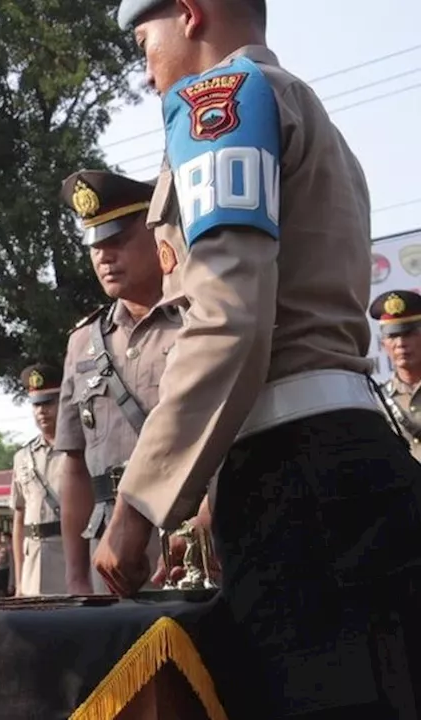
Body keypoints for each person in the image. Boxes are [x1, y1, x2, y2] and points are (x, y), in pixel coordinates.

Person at [106, 1, 421, 716]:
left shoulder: (218, 100)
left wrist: (141, 502)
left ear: (188, 13)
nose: (144, 62)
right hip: (352, 460)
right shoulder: (308, 111)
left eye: (142, 37)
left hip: (296, 484)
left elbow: (229, 318)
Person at [52, 170, 182, 595]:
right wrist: (74, 575)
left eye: (117, 240)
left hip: (190, 532)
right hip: (109, 550)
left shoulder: (198, 323)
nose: (104, 257)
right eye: (95, 245)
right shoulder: (82, 344)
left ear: (157, 234)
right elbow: (72, 462)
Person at [10, 363, 67, 596]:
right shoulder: (22, 457)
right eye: (36, 404)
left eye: (48, 402)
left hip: (69, 552)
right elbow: (19, 517)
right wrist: (20, 580)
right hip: (33, 557)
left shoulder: (80, 451)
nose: (42, 411)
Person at [369, 289, 421, 462]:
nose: (400, 344)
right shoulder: (377, 401)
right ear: (383, 344)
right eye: (393, 336)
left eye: (408, 334)